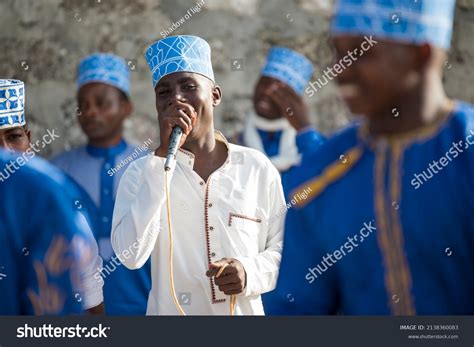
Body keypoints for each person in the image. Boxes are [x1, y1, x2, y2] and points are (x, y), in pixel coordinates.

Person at [271, 0, 474, 315]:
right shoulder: (316, 182)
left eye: (363, 54)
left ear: (422, 53)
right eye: (338, 53)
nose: (342, 70)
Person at [111, 35, 285, 315]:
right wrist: (159, 166)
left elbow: (286, 251)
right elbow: (130, 256)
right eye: (164, 92)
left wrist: (249, 271)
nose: (176, 99)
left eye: (189, 86)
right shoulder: (141, 172)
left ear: (215, 95)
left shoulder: (256, 168)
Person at [51, 54, 151, 315]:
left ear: (126, 107)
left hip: (146, 305)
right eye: (83, 105)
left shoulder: (150, 166)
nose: (91, 112)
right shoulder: (58, 170)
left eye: (102, 103)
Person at [0, 78, 104, 314]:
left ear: (29, 138)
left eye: (13, 137)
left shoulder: (51, 199)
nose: (5, 151)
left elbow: (90, 296)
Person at [234, 46, 325, 177]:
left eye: (279, 90)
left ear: (294, 100)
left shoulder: (310, 145)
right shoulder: (233, 146)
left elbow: (327, 170)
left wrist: (303, 128)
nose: (266, 92)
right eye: (264, 83)